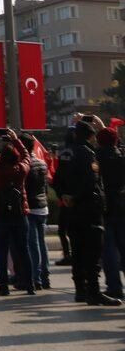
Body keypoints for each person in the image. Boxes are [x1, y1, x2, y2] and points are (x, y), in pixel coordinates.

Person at [56, 117, 121, 306]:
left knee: (77, 250)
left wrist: (65, 196)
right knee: (93, 252)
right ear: (90, 136)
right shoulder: (88, 154)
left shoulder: (65, 153)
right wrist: (76, 197)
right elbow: (91, 182)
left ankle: (80, 290)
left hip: (72, 210)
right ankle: (93, 291)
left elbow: (57, 180)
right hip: (89, 209)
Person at [0, 128, 34, 296]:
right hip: (19, 214)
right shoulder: (21, 169)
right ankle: (30, 284)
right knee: (24, 250)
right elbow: (27, 157)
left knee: (2, 251)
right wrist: (16, 140)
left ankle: (3, 285)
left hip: (0, 215)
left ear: (1, 156)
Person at [96, 126, 125, 300]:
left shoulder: (96, 158)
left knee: (108, 251)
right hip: (122, 206)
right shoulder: (121, 157)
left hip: (105, 208)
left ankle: (114, 287)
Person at [19, 135, 49, 289]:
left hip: (30, 207)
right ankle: (45, 275)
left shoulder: (24, 165)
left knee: (33, 244)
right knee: (42, 243)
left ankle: (35, 277)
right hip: (42, 206)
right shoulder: (42, 163)